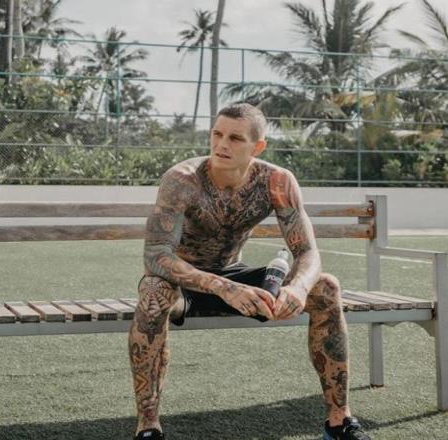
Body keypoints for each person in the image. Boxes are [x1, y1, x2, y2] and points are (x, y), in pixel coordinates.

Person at [128, 103, 372, 440]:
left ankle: (339, 421)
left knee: (326, 287)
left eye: (235, 138)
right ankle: (148, 427)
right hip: (185, 286)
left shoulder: (276, 181)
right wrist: (222, 287)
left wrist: (298, 289)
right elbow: (156, 256)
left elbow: (307, 252)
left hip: (236, 276)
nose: (221, 144)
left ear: (257, 147)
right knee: (153, 291)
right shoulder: (182, 180)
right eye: (217, 134)